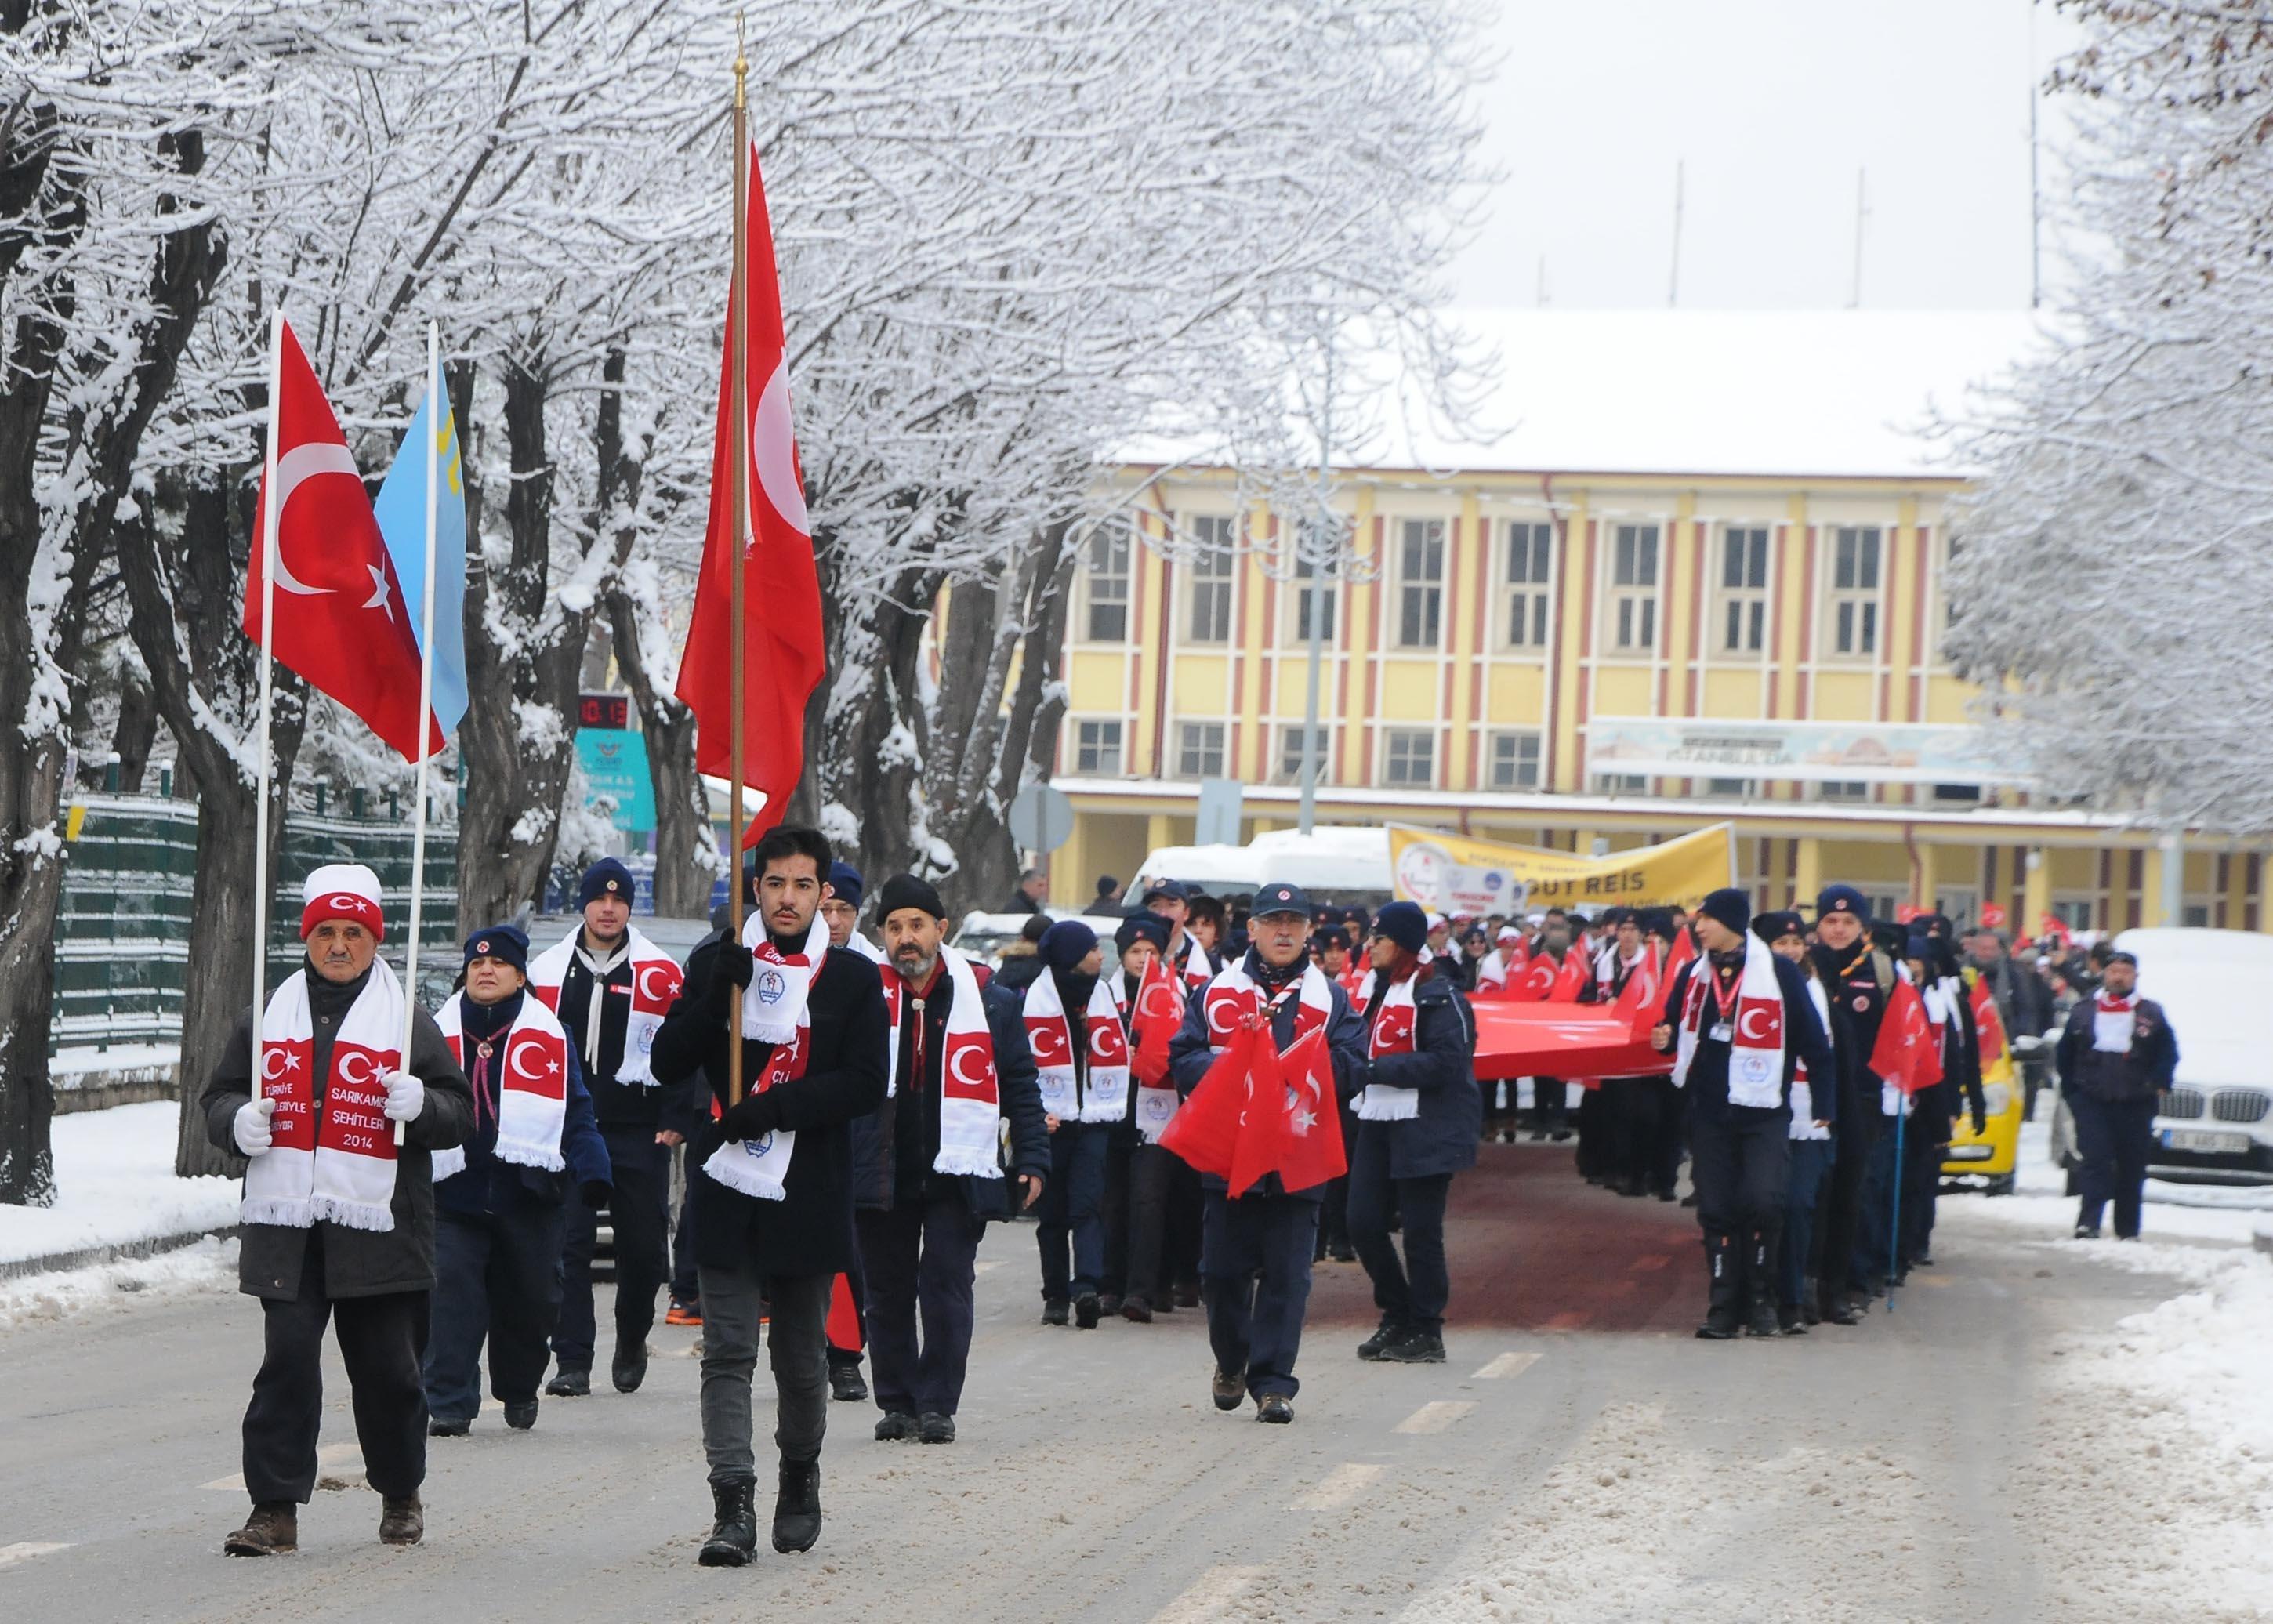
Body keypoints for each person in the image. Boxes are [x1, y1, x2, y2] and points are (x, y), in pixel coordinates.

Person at [201, 864, 473, 1556]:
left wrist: (424, 1105)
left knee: (387, 1371)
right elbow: (219, 1097)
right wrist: (238, 1122)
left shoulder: (408, 1022)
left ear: (375, 941)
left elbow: (461, 1114)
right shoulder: (265, 1017)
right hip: (288, 1228)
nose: (340, 946)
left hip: (380, 1227)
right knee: (287, 1363)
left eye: (354, 933)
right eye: (326, 932)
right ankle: (274, 1510)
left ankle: (400, 1491)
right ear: (308, 938)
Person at [650, 826, 890, 1565]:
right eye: (775, 884)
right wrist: (709, 997)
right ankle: (733, 1503)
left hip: (807, 1190)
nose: (788, 898)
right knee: (725, 1349)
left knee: (799, 1354)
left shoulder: (848, 979)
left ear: (825, 895)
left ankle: (798, 1475)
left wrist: (776, 1109)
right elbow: (665, 1062)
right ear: (756, 889)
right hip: (726, 1186)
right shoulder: (720, 961)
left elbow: (862, 1083)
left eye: (803, 885)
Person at [855, 875, 1049, 1444]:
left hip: (957, 1170)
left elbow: (1020, 1084)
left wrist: (1032, 1157)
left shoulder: (987, 998)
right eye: (894, 928)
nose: (905, 938)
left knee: (945, 1284)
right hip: (881, 1166)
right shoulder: (865, 995)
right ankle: (894, 1401)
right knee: (886, 1290)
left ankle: (937, 1402)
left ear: (941, 929)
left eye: (916, 925)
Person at [1168, 881, 1366, 1423]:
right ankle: (1231, 1359)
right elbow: (1182, 1056)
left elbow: (1355, 1059)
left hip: (1298, 1155)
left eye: (1295, 923)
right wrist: (1240, 1077)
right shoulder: (1216, 992)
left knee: (1288, 1277)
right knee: (1222, 1274)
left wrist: (1305, 1076)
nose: (1284, 932)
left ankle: (1275, 1383)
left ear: (1308, 932)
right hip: (1230, 1155)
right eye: (1273, 922)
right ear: (1251, 929)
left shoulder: (1333, 998)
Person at [423, 926, 613, 1435]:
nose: (486, 970)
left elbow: (576, 1111)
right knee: (452, 1293)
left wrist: (593, 1169)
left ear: (521, 976)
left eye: (499, 964)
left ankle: (518, 1386)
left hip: (529, 1196)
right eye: (477, 964)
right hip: (454, 1192)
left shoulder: (551, 1035)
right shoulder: (430, 1035)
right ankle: (448, 1400)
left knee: (530, 1302)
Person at [532, 857, 705, 1400]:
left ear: (630, 907)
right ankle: (573, 1359)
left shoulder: (659, 973)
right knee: (570, 1246)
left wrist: (676, 1118)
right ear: (584, 904)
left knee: (644, 1249)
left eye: (619, 900)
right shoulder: (547, 972)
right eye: (599, 899)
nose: (608, 909)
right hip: (572, 1128)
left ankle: (632, 1338)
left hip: (640, 1130)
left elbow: (682, 1048)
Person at [1650, 887, 1833, 1340]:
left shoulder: (1780, 974)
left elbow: (1814, 1042)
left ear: (1731, 921)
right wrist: (1665, 1037)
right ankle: (1723, 1306)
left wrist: (1825, 1106)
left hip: (1765, 1110)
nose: (1698, 927)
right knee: (1716, 1208)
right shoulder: (1694, 973)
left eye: (1706, 919)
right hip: (1710, 1113)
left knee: (1764, 1201)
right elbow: (1674, 1025)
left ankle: (1761, 1300)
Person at [1344, 901, 1481, 1364]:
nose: (1368, 947)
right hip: (1378, 1116)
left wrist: (1375, 1067)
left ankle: (1427, 1328)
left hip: (1427, 1124)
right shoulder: (1373, 990)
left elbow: (1448, 1062)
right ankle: (1397, 1311)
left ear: (1401, 944)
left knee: (1421, 1232)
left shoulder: (1437, 992)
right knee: (1361, 1221)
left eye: (1377, 939)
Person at [1010, 919, 1126, 1327]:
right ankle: (1055, 1294)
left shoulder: (1102, 995)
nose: (1100, 955)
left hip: (1093, 1117)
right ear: (1072, 958)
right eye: (1092, 949)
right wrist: (1035, 1113)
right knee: (1053, 1213)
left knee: (1088, 1206)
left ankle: (1087, 1288)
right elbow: (1021, 1064)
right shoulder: (1033, 998)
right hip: (1051, 1121)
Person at [1808, 884, 1895, 1326]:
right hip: (1809, 1098)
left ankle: (1838, 1289)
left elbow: (1897, 1034)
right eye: (1830, 921)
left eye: (1848, 922)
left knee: (1848, 1195)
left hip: (1860, 1098)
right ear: (1818, 925)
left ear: (1863, 927)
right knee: (1809, 1195)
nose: (1838, 929)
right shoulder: (1801, 967)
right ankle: (1802, 1284)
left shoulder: (1880, 972)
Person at [2054, 949, 2177, 1240]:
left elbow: (2168, 1052)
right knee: (2095, 1162)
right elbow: (2065, 1053)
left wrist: (2159, 1082)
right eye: (2113, 971)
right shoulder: (2084, 1010)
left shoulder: (2150, 1013)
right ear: (2104, 974)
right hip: (2092, 1100)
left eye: (2125, 972)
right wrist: (2073, 1092)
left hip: (2136, 1102)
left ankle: (2128, 1228)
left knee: (2131, 1167)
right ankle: (2089, 1222)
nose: (2118, 977)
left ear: (2135, 976)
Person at [817, 858, 883, 1400]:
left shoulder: (876, 972)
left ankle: (846, 1355)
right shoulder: (787, 964)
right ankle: (806, 1350)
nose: (834, 920)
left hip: (860, 1127)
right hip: (797, 1121)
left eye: (845, 910)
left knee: (851, 1250)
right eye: (827, 907)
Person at [1105, 913, 1184, 1319]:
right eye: (1135, 952)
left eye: (1150, 951)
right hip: (1114, 1110)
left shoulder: (1175, 993)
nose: (1142, 959)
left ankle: (1143, 1290)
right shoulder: (1106, 995)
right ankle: (1110, 1285)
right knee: (1112, 1202)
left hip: (1159, 1110)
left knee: (1150, 1201)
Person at [1758, 912, 1833, 1333]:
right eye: (1780, 945)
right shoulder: (1751, 985)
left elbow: (1826, 1053)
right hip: (1762, 1106)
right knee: (1764, 1205)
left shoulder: (1816, 987)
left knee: (1800, 1204)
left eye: (1796, 944)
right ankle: (1762, 1293)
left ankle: (1793, 1295)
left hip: (1806, 1111)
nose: (1790, 952)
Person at [1144, 879, 1216, 992]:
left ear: (1186, 913)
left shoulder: (1211, 963)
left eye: (1171, 905)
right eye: (1155, 906)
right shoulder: (1137, 959)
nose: (1163, 914)